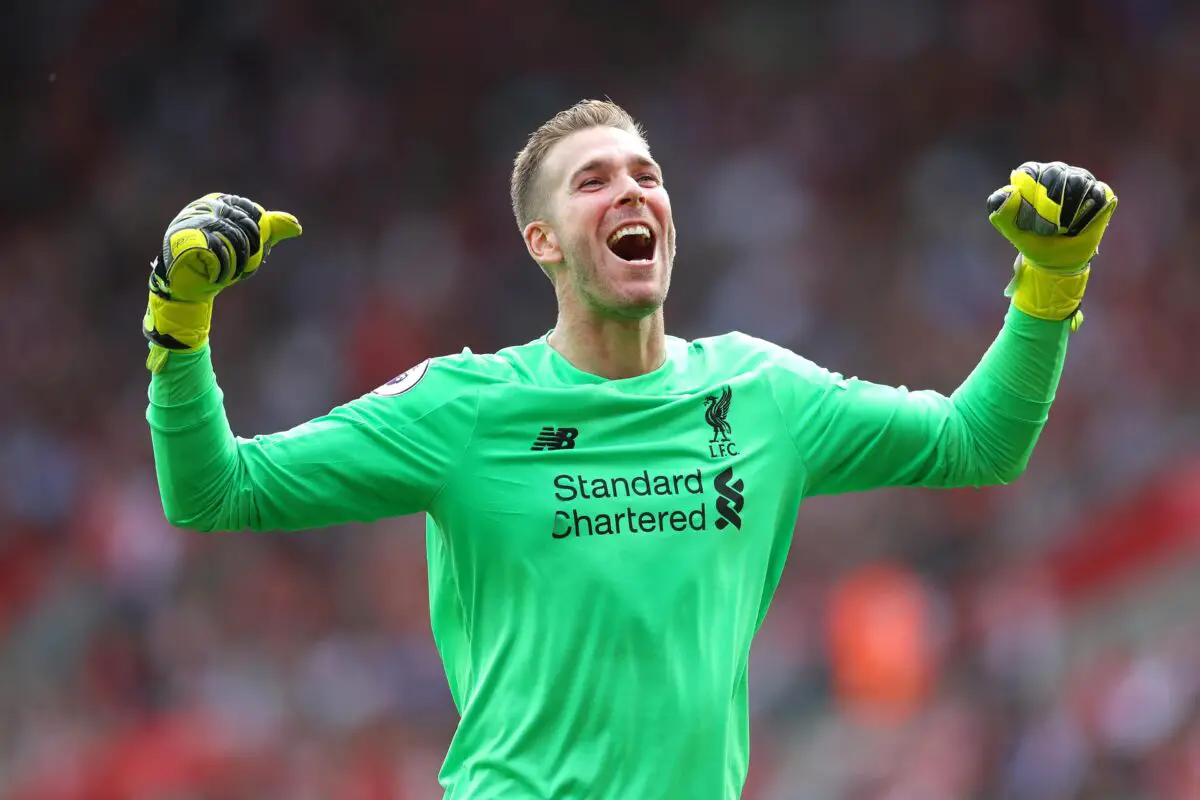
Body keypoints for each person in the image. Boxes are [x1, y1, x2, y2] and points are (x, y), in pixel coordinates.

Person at [142, 99, 1117, 799]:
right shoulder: (464, 407)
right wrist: (180, 325)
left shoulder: (761, 393)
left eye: (646, 175)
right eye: (594, 180)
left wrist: (1051, 280)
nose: (631, 191)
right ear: (543, 241)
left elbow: (977, 442)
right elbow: (217, 490)